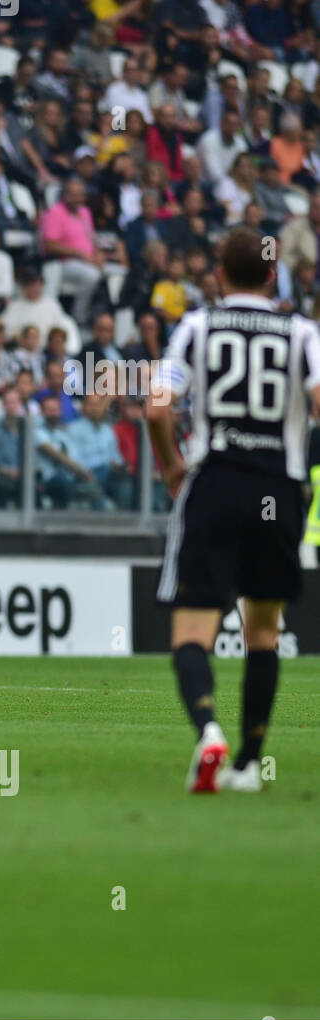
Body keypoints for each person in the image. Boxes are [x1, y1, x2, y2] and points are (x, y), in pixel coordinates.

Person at [148, 225, 320, 793]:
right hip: (278, 488)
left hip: (215, 483)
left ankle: (208, 729)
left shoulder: (198, 326)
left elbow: (156, 409)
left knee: (192, 633)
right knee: (264, 632)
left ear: (218, 274)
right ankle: (248, 763)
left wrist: (173, 465)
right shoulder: (302, 333)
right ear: (273, 275)